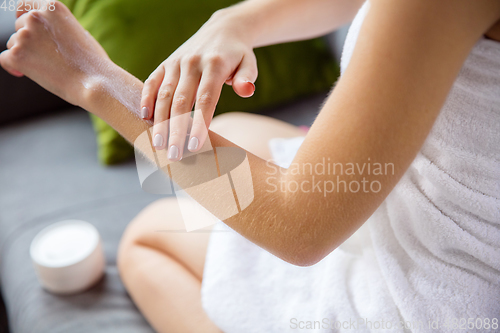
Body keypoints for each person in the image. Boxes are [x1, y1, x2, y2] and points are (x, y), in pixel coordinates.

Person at [2, 0, 500, 332]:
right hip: (448, 201)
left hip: (442, 300)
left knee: (146, 239)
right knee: (237, 129)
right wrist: (233, 21)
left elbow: (297, 228)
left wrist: (94, 81)